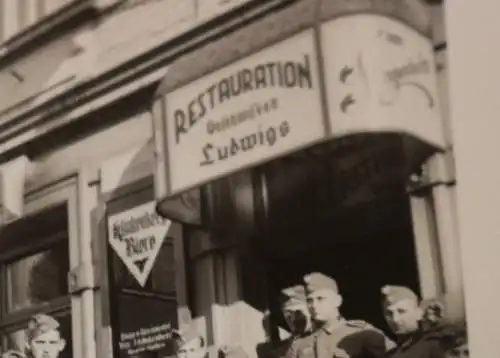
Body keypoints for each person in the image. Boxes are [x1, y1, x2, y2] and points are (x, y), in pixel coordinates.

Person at [287, 272, 390, 358]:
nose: (314, 305)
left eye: (320, 299)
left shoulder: (361, 332)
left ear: (337, 301)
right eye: (309, 300)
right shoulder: (299, 344)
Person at [381, 285, 447, 358]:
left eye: (401, 311)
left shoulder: (437, 345)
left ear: (418, 313)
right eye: (389, 313)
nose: (395, 319)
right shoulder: (391, 354)